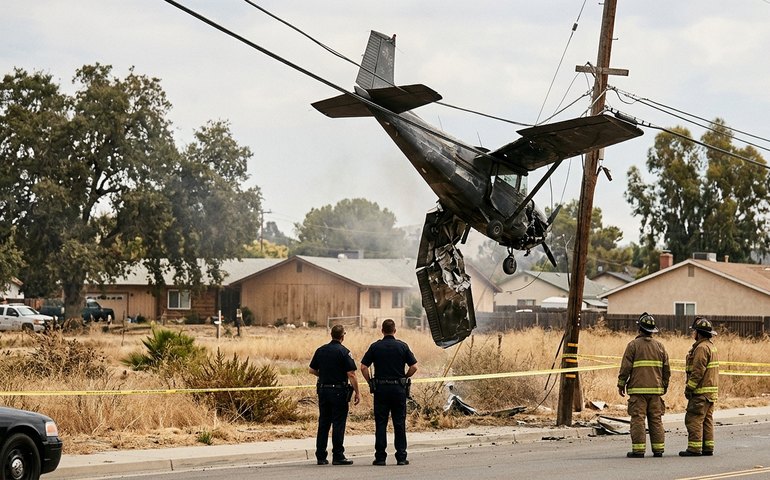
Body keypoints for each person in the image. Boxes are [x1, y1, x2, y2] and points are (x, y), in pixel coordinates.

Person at [360, 318, 417, 466]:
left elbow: (363, 367)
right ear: (395, 331)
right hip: (398, 389)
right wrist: (405, 377)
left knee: (380, 423)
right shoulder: (402, 346)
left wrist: (370, 381)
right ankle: (401, 457)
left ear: (382, 331)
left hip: (381, 390)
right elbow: (414, 367)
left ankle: (380, 457)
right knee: (399, 423)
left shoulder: (375, 347)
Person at [617, 312, 671, 458]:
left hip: (638, 391)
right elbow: (666, 369)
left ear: (639, 328)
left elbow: (625, 368)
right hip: (655, 392)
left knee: (638, 419)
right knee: (656, 419)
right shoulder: (660, 346)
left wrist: (621, 384)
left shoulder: (633, 346)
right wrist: (664, 385)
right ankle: (658, 450)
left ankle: (638, 450)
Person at [309, 324, 360, 465]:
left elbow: (311, 370)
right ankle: (338, 455)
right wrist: (357, 391)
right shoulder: (344, 352)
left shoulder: (321, 350)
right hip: (338, 391)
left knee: (324, 423)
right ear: (342, 336)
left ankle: (321, 455)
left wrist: (324, 375)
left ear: (331, 335)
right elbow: (351, 374)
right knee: (338, 423)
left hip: (323, 390)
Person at [680, 317, 719, 457]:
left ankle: (694, 448)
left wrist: (689, 388)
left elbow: (697, 371)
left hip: (700, 392)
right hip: (710, 393)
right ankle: (708, 448)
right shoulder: (710, 346)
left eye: (694, 331)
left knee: (694, 419)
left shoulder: (701, 348)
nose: (693, 333)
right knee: (707, 420)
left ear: (699, 333)